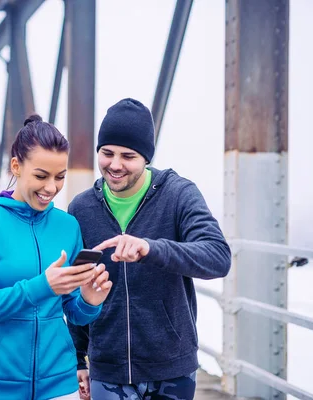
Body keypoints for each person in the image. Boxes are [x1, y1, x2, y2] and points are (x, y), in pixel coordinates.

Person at [67, 98, 231, 400]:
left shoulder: (178, 195)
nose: (115, 165)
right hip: (108, 369)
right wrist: (78, 358)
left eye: (128, 155)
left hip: (171, 369)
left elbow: (218, 257)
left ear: (147, 158)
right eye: (107, 153)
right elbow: (75, 285)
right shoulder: (81, 208)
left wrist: (151, 249)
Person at [0, 114, 113, 400]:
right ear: (16, 166)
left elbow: (72, 312)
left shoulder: (68, 226)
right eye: (41, 176)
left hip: (60, 386)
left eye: (60, 177)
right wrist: (42, 286)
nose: (51, 188)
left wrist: (90, 301)